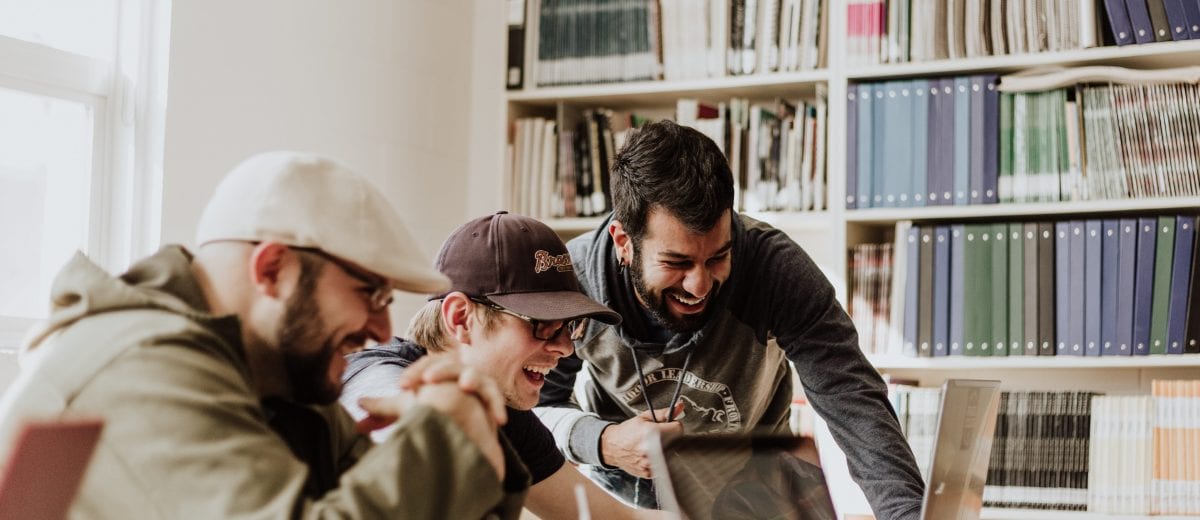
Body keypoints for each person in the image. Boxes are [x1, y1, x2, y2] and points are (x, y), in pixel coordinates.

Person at [0, 152, 528, 518]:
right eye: (369, 293)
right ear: (272, 268)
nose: (383, 329)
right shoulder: (140, 367)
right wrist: (445, 433)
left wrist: (471, 429)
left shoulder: (275, 376)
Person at [534, 120, 926, 519]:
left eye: (718, 256)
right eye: (677, 262)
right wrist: (604, 442)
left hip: (755, 494)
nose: (700, 285)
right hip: (624, 503)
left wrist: (906, 513)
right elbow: (533, 410)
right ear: (623, 242)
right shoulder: (573, 280)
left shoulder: (774, 268)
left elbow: (853, 397)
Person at [341, 211, 668, 520]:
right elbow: (396, 414)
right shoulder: (374, 373)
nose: (566, 348)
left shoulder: (506, 412)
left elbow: (617, 517)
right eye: (543, 324)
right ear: (461, 318)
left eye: (570, 326)